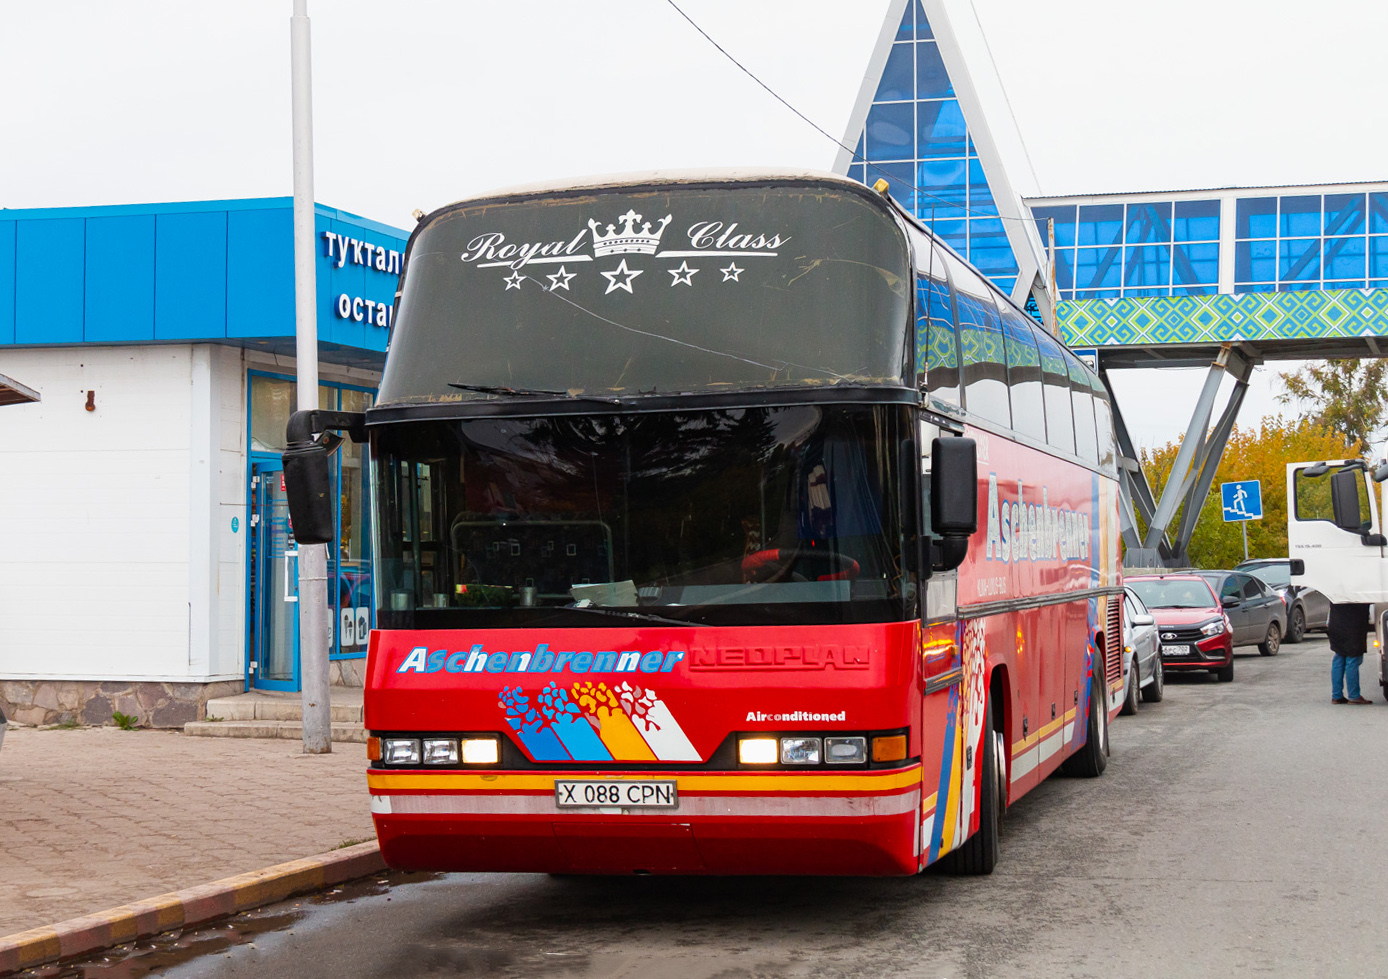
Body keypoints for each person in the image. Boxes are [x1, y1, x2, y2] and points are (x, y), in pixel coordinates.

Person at [1327, 602, 1372, 704]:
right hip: (1353, 626)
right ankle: (1354, 695)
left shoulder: (1335, 588)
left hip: (1336, 624)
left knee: (1339, 657)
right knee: (1352, 658)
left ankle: (1337, 695)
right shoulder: (1355, 589)